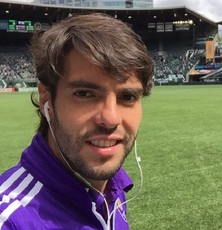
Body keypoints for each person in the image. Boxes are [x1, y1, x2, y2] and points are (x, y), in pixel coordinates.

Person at [0, 13, 153, 230]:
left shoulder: (112, 188)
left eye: (127, 97)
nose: (110, 119)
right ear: (47, 100)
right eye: (84, 94)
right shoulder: (10, 220)